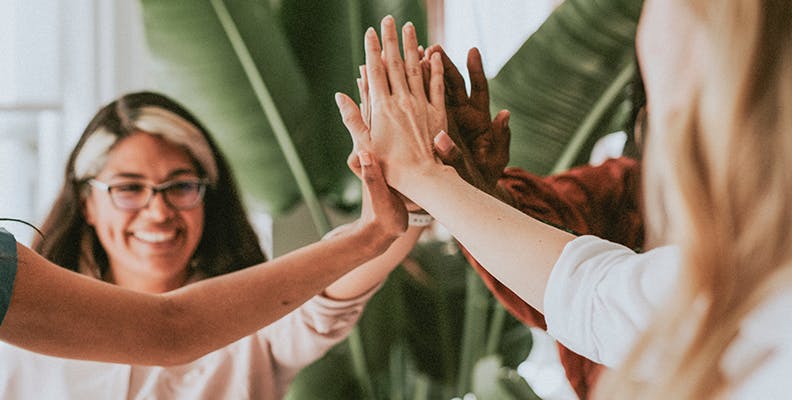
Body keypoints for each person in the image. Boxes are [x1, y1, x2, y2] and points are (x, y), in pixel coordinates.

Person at [337, 7, 792, 398]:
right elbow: (575, 281)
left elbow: (592, 295)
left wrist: (426, 177)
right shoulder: (622, 188)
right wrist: (462, 185)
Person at [0, 91, 426, 399]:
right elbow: (171, 326)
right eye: (129, 188)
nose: (158, 211)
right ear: (86, 202)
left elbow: (329, 297)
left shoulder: (256, 317)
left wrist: (416, 197)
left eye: (181, 186)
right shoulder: (29, 317)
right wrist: (372, 232)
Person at [429, 44, 645, 399]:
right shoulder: (622, 189)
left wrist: (429, 180)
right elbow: (545, 238)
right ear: (644, 125)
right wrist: (472, 186)